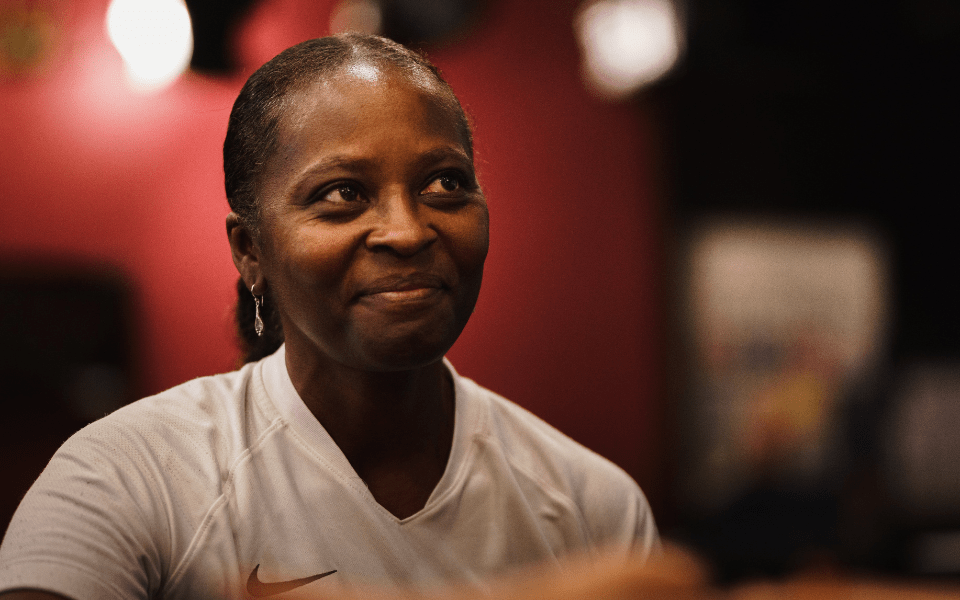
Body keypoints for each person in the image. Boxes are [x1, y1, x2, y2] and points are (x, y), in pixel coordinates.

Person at [0, 33, 657, 600]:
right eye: (343, 193)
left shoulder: (593, 507)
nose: (407, 231)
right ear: (251, 252)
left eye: (445, 183)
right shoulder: (129, 477)